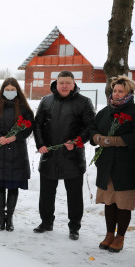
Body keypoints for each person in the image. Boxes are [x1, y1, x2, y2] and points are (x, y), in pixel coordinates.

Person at [33, 71, 95, 240]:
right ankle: (46, 222)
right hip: (49, 155)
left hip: (72, 157)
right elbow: (37, 124)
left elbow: (90, 127)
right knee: (46, 193)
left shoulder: (83, 102)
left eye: (68, 82)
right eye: (62, 82)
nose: (65, 86)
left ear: (74, 84)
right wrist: (40, 145)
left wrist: (77, 141)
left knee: (74, 195)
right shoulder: (46, 101)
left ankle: (74, 226)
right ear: (56, 83)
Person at [90, 75, 135, 252]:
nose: (116, 94)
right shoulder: (105, 112)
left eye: (120, 91)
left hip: (127, 167)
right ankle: (109, 234)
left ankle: (120, 237)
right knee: (109, 202)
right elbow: (92, 129)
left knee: (123, 204)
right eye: (114, 91)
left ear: (129, 92)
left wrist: (116, 140)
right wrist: (97, 137)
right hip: (106, 166)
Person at [0, 78, 34, 231]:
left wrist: (16, 137)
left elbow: (28, 127)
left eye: (13, 89)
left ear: (17, 90)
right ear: (3, 90)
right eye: (7, 89)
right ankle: (1, 217)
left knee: (13, 186)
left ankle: (9, 218)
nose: (10, 92)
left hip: (16, 151)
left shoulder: (24, 108)